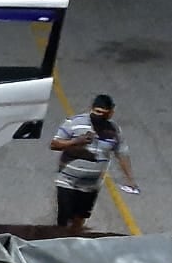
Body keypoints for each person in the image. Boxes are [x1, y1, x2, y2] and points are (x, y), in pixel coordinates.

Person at [49, 94, 138, 232]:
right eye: (97, 112)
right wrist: (76, 142)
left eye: (103, 113)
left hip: (90, 186)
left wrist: (130, 179)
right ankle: (61, 242)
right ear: (91, 108)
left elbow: (122, 153)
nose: (99, 116)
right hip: (67, 181)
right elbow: (54, 144)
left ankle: (73, 240)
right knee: (64, 220)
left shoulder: (113, 131)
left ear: (111, 113)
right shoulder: (74, 123)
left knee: (79, 219)